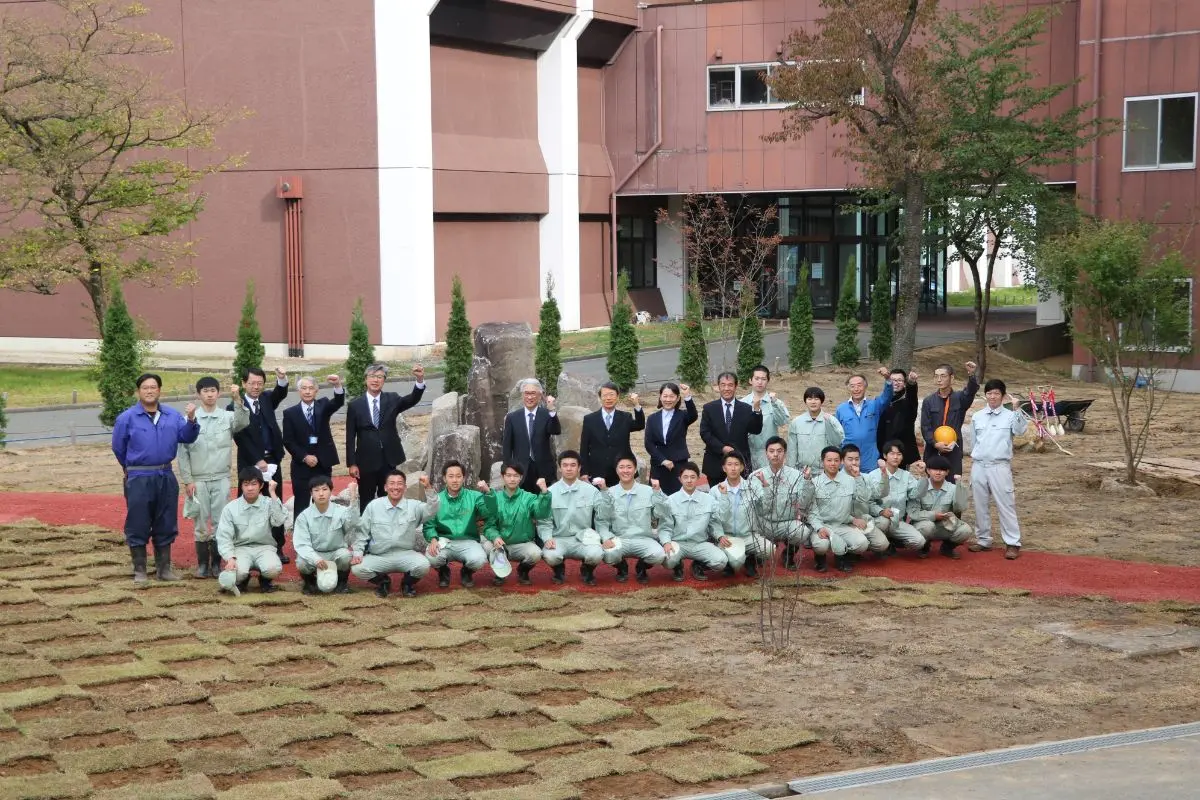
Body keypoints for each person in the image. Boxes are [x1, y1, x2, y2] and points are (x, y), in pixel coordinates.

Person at [111, 373, 200, 584]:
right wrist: (131, 467)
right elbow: (118, 447)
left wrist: (191, 420)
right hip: (139, 476)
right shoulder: (127, 418)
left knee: (166, 520)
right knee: (138, 520)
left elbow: (187, 437)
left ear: (159, 390)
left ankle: (164, 569)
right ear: (138, 391)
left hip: (165, 475)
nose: (149, 391)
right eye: (145, 387)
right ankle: (140, 570)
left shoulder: (172, 415)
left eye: (153, 387)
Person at [177, 378, 248, 578]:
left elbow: (243, 422)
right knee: (200, 522)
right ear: (198, 394)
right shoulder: (189, 419)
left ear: (218, 393)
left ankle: (216, 563)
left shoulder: (227, 417)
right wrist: (187, 480)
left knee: (220, 522)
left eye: (213, 390)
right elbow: (183, 453)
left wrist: (237, 399)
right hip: (198, 479)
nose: (209, 394)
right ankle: (202, 564)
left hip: (221, 477)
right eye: (205, 391)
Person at [345, 364, 427, 511]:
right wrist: (352, 463)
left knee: (389, 498)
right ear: (365, 379)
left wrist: (420, 380)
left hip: (388, 460)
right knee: (366, 500)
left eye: (379, 377)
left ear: (384, 380)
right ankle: (367, 525)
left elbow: (412, 399)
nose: (375, 380)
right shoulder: (355, 405)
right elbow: (350, 436)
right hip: (365, 461)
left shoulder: (392, 399)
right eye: (372, 376)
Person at [230, 365, 290, 562]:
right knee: (248, 501)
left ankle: (277, 546)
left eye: (260, 383)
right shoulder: (234, 406)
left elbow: (280, 393)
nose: (256, 387)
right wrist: (257, 459)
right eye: (252, 383)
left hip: (272, 461)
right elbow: (239, 437)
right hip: (249, 463)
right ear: (243, 383)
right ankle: (244, 545)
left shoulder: (265, 399)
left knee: (275, 501)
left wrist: (282, 378)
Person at [967, 378, 1029, 560]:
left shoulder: (1010, 415)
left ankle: (1012, 543)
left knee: (1006, 504)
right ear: (985, 395)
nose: (993, 396)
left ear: (1003, 396)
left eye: (996, 393)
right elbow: (973, 442)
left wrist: (1017, 409)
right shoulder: (977, 416)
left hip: (999, 466)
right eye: (989, 393)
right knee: (980, 504)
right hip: (979, 465)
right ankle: (983, 539)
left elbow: (1020, 431)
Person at [352, 470, 439, 597]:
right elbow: (362, 533)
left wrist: (428, 488)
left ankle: (407, 583)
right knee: (357, 568)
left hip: (405, 554)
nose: (396, 487)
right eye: (392, 483)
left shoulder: (414, 506)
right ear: (385, 487)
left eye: (399, 483)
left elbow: (433, 509)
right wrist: (358, 553)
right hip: (379, 555)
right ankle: (383, 582)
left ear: (405, 487)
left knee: (423, 565)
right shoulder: (373, 506)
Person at [539, 450, 616, 586]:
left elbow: (602, 516)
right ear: (560, 468)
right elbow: (544, 521)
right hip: (559, 538)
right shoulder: (550, 492)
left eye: (573, 465)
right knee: (551, 555)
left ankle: (587, 569)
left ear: (579, 468)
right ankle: (558, 569)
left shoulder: (591, 490)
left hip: (584, 538)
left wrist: (604, 491)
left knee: (596, 554)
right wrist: (547, 538)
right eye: (565, 465)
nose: (569, 468)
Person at [597, 456, 671, 584]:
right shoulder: (608, 493)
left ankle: (642, 567)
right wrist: (606, 538)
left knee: (658, 555)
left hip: (643, 538)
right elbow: (602, 520)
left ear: (635, 469)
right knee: (608, 554)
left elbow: (662, 514)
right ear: (616, 470)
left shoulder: (649, 491)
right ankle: (621, 567)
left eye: (629, 467)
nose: (625, 471)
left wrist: (658, 492)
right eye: (621, 467)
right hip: (619, 539)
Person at [282, 374, 345, 520]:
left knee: (322, 503)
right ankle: (301, 533)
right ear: (299, 391)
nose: (307, 391)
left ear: (316, 390)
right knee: (301, 504)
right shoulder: (290, 413)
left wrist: (337, 385)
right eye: (304, 388)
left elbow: (338, 401)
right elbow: (288, 441)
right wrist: (304, 457)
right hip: (301, 467)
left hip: (323, 464)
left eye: (311, 388)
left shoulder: (323, 406)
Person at [216, 467, 288, 593]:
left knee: (273, 569)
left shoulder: (269, 503)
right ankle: (242, 580)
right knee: (237, 573)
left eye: (254, 484)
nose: (250, 488)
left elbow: (279, 520)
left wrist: (272, 493)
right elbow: (224, 537)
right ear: (241, 486)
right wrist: (230, 558)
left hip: (265, 547)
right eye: (246, 484)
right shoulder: (230, 508)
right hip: (240, 549)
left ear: (261, 486)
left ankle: (265, 580)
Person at [425, 460, 495, 588]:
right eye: (451, 476)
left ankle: (466, 572)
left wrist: (488, 493)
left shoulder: (475, 496)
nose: (455, 480)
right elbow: (429, 524)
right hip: (444, 541)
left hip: (468, 540)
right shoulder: (437, 499)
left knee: (479, 559)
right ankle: (443, 571)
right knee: (431, 556)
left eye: (458, 476)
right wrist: (433, 539)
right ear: (444, 478)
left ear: (464, 478)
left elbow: (488, 512)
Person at [745, 437, 812, 570]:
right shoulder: (755, 476)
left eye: (779, 451)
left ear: (785, 453)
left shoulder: (796, 476)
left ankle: (788, 554)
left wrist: (807, 481)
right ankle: (754, 556)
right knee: (751, 530)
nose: (775, 454)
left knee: (803, 531)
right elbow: (753, 508)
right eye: (771, 451)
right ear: (766, 453)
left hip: (786, 522)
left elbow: (804, 503)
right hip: (763, 523)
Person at [480, 463, 551, 586]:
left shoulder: (529, 498)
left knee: (535, 553)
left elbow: (541, 513)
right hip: (500, 545)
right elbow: (489, 525)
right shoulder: (495, 498)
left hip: (522, 544)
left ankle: (523, 570)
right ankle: (500, 572)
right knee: (486, 546)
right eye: (508, 475)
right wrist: (495, 537)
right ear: (503, 477)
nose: (512, 479)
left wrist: (544, 493)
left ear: (521, 477)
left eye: (516, 475)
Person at [660, 462, 728, 582]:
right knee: (667, 560)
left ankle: (698, 564)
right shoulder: (670, 500)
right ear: (680, 479)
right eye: (685, 477)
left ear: (698, 478)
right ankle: (677, 566)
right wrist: (666, 542)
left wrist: (720, 535)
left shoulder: (708, 500)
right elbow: (665, 526)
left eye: (693, 477)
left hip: (699, 543)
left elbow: (716, 520)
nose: (689, 480)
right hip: (678, 543)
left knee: (721, 561)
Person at [293, 476, 359, 595]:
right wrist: (315, 559)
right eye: (316, 490)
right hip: (315, 552)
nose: (321, 494)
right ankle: (310, 583)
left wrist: (353, 496)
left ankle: (342, 583)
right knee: (301, 562)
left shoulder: (341, 511)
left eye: (324, 489)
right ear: (311, 493)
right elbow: (301, 544)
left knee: (346, 556)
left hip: (335, 552)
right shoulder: (304, 516)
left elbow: (353, 523)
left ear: (331, 491)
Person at [808, 446, 870, 573]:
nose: (833, 463)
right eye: (829, 460)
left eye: (836, 460)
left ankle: (842, 553)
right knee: (821, 546)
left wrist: (858, 477)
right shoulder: (814, 483)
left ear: (841, 461)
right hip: (823, 526)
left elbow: (863, 499)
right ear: (822, 462)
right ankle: (820, 557)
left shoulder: (850, 481)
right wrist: (819, 528)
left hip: (841, 525)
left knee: (862, 544)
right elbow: (811, 512)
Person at [714, 450, 775, 578]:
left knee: (770, 549)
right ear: (724, 468)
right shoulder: (716, 490)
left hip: (749, 536)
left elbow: (765, 509)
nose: (733, 468)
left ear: (742, 467)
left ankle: (750, 560)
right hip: (727, 537)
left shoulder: (752, 487)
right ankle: (729, 563)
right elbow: (714, 519)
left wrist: (765, 486)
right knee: (735, 563)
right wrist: (719, 535)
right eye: (729, 464)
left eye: (736, 464)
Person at [699, 372, 764, 488]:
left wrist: (757, 410)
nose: (726, 388)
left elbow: (756, 430)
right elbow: (705, 433)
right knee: (717, 496)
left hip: (739, 464)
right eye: (723, 385)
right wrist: (722, 448)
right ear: (718, 386)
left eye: (730, 385)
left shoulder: (746, 408)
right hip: (715, 464)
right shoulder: (709, 408)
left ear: (736, 386)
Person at [866, 440, 929, 555]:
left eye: (899, 454)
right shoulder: (873, 476)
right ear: (885, 455)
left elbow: (916, 494)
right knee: (884, 523)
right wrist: (881, 511)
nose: (895, 457)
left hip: (897, 522)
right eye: (892, 453)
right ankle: (878, 544)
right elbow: (868, 502)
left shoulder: (906, 475)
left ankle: (894, 541)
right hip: (879, 520)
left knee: (919, 541)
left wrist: (923, 475)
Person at [919, 361, 979, 477]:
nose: (939, 380)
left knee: (952, 483)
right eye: (936, 376)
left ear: (952, 378)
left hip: (953, 449)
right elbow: (925, 426)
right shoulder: (929, 401)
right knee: (933, 483)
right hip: (933, 449)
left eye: (943, 376)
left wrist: (971, 375)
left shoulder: (960, 398)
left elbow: (971, 391)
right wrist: (935, 443)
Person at [579, 383, 644, 488]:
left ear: (617, 397)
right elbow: (584, 448)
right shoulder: (589, 419)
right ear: (600, 397)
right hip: (597, 471)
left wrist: (636, 404)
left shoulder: (625, 417)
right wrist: (584, 472)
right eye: (605, 395)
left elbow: (640, 425)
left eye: (612, 394)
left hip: (621, 471)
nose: (608, 398)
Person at [501, 379, 560, 494]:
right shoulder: (512, 417)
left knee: (544, 501)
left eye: (533, 393)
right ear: (522, 395)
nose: (529, 397)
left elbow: (556, 430)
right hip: (520, 470)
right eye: (526, 393)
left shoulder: (546, 414)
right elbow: (507, 446)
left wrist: (552, 410)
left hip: (543, 469)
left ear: (540, 395)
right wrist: (507, 469)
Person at [907, 455, 972, 559]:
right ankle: (924, 546)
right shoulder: (919, 487)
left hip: (944, 525)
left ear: (947, 472)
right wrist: (933, 516)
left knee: (966, 530)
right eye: (934, 469)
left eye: (942, 470)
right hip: (923, 524)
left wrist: (959, 486)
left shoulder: (953, 488)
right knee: (928, 527)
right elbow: (913, 513)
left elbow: (960, 508)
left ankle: (947, 548)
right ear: (928, 470)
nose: (938, 472)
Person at [643, 382, 697, 495]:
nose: (668, 399)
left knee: (679, 497)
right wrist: (663, 460)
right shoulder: (652, 418)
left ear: (677, 398)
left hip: (678, 464)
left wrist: (687, 396)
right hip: (658, 465)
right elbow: (649, 443)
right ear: (660, 397)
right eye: (665, 396)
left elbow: (693, 415)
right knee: (657, 497)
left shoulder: (683, 416)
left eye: (672, 396)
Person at [840, 443, 890, 557]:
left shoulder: (865, 477)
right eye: (850, 459)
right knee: (858, 542)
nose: (854, 462)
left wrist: (884, 473)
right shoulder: (838, 478)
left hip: (864, 520)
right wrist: (852, 520)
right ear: (842, 461)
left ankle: (859, 546)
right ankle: (844, 553)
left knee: (882, 544)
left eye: (857, 459)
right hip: (844, 523)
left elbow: (879, 494)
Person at [835, 372, 893, 467]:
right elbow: (836, 434)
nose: (856, 389)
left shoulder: (874, 405)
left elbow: (887, 397)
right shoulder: (841, 409)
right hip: (848, 457)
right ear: (848, 388)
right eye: (852, 386)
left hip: (870, 458)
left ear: (865, 386)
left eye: (859, 385)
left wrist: (888, 380)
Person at [743, 365, 790, 472]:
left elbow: (782, 422)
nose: (760, 382)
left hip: (769, 454)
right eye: (756, 378)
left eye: (763, 379)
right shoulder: (743, 403)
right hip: (748, 453)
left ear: (768, 381)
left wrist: (774, 403)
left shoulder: (775, 402)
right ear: (750, 380)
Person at [787, 387, 845, 473]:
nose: (813, 402)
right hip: (802, 471)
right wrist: (791, 471)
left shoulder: (831, 420)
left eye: (816, 399)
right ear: (805, 401)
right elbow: (792, 449)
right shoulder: (796, 422)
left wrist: (829, 424)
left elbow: (838, 442)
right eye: (809, 399)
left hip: (825, 472)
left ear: (821, 401)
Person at [877, 367, 921, 467]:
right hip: (884, 451)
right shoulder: (882, 402)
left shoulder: (908, 402)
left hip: (902, 452)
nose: (896, 383)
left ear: (904, 383)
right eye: (893, 380)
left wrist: (911, 383)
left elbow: (912, 395)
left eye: (899, 380)